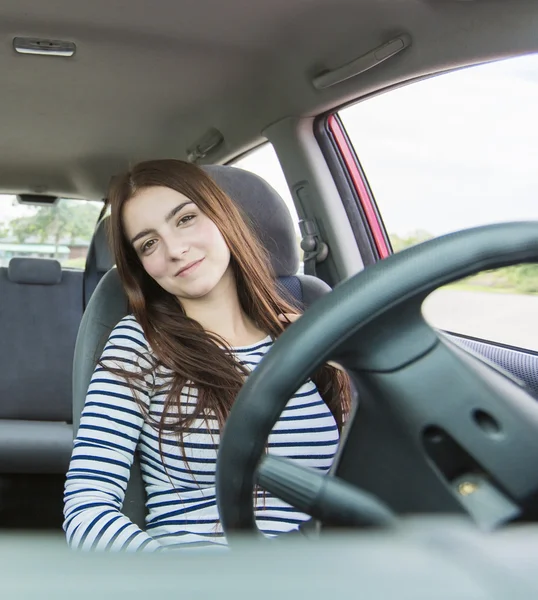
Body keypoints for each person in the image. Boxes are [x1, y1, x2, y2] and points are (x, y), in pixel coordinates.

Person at [63, 159, 352, 552]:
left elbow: (370, 473)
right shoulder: (141, 343)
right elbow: (86, 508)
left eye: (185, 219)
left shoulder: (306, 333)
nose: (176, 250)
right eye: (149, 243)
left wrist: (351, 362)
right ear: (142, 267)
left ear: (222, 216)